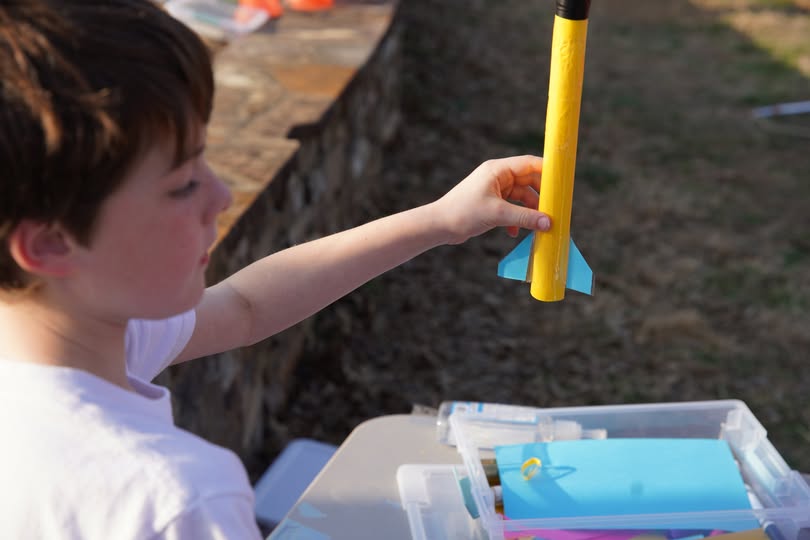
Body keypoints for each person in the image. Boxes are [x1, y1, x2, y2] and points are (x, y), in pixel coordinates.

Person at [0, 1, 551, 538]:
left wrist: (439, 221)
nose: (221, 195)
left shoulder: (67, 340)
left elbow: (245, 307)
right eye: (183, 183)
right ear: (49, 244)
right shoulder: (175, 500)